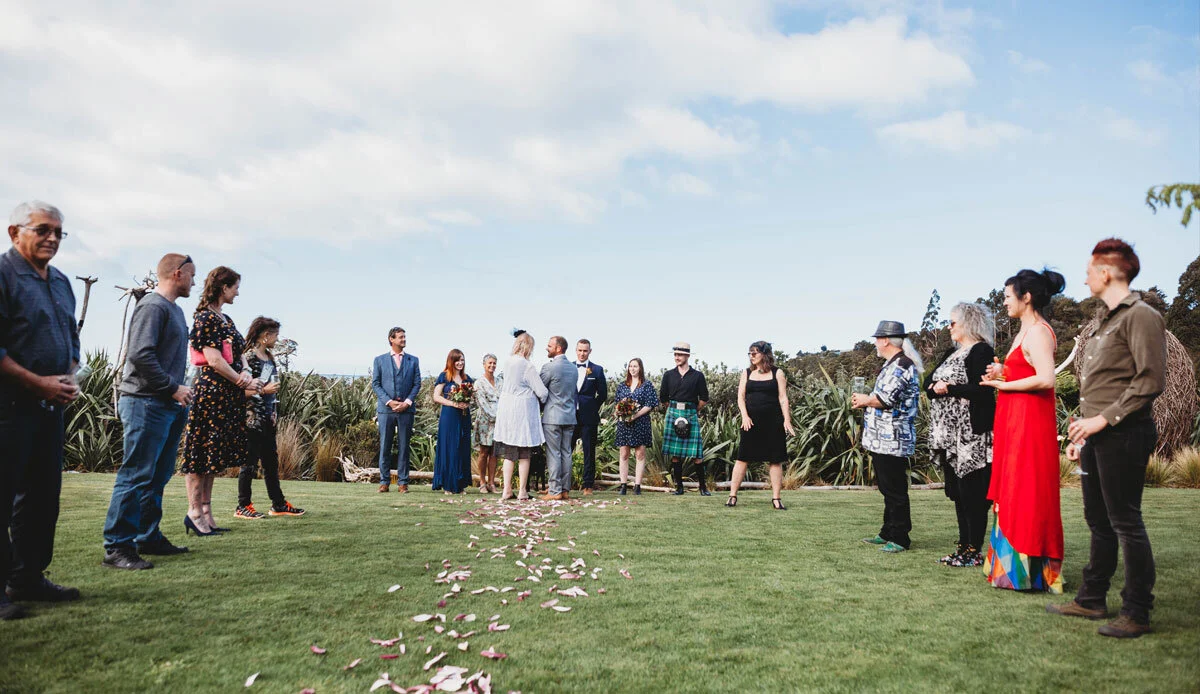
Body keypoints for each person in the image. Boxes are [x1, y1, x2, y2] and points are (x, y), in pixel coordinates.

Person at [1049, 239, 1166, 639]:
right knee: (1098, 521)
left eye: (1089, 271)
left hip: (1125, 433)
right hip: (1097, 435)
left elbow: (1149, 380)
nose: (1085, 278)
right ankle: (1091, 598)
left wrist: (1102, 420)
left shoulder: (1142, 316)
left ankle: (1137, 611)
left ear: (1107, 272)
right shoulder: (1103, 321)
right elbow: (1103, 384)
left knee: (1125, 521)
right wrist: (1083, 431)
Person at [0, 201, 80, 619]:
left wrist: (68, 376)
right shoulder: (3, 274)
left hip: (50, 409)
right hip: (9, 406)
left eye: (58, 232)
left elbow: (71, 338)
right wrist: (38, 382)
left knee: (42, 499)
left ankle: (27, 577)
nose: (52, 238)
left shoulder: (61, 281)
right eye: (43, 229)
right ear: (15, 232)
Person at [102, 253, 195, 571]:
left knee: (157, 476)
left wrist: (177, 392)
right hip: (145, 402)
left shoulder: (175, 310)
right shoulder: (152, 306)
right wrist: (172, 387)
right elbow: (141, 355)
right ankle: (117, 546)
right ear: (178, 273)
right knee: (136, 475)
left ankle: (147, 536)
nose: (194, 282)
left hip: (168, 404)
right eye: (192, 276)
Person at [980, 269, 1066, 592]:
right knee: (1013, 488)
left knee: (1028, 489)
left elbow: (1046, 378)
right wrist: (1002, 371)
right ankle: (1008, 570)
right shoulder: (1023, 332)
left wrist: (1004, 385)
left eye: (1007, 296)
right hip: (1014, 421)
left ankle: (1031, 574)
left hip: (1030, 425)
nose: (1004, 303)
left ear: (1026, 297)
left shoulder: (1039, 332)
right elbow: (1024, 370)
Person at [181, 266, 258, 536]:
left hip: (227, 396)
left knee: (213, 456)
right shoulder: (205, 318)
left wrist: (245, 371)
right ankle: (194, 512)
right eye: (235, 287)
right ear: (224, 288)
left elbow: (240, 352)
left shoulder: (226, 319)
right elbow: (214, 360)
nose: (237, 292)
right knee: (200, 453)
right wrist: (241, 381)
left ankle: (206, 513)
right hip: (210, 394)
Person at [923, 303, 996, 567]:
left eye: (953, 322)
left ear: (968, 323)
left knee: (973, 494)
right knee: (957, 493)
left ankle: (973, 550)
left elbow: (983, 389)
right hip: (948, 436)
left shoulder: (981, 351)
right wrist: (937, 387)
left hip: (970, 435)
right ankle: (963, 546)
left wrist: (949, 388)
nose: (949, 327)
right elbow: (927, 384)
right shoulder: (951, 353)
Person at [851, 321, 923, 553]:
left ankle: (900, 536)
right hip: (883, 438)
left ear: (885, 340)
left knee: (894, 489)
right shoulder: (892, 364)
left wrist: (865, 400)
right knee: (886, 487)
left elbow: (886, 399)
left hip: (894, 438)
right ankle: (887, 531)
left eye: (877, 339)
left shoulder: (902, 365)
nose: (875, 344)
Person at [234, 317, 304, 519]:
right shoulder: (249, 358)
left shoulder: (269, 358)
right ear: (265, 335)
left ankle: (278, 504)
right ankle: (243, 505)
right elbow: (239, 391)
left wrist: (273, 411)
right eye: (275, 335)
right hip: (251, 418)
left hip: (267, 418)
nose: (277, 339)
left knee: (271, 463)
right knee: (249, 463)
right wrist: (264, 390)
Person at [727, 341, 795, 510]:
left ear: (765, 354)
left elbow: (783, 398)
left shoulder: (777, 373)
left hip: (773, 422)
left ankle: (776, 499)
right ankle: (732, 496)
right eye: (750, 353)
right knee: (742, 458)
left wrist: (787, 420)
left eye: (755, 353)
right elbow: (740, 397)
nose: (751, 356)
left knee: (775, 460)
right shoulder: (746, 373)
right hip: (750, 422)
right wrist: (744, 416)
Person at [494, 330, 548, 500]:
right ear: (528, 347)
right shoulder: (527, 366)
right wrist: (543, 399)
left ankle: (506, 490)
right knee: (524, 453)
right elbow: (542, 391)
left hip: (507, 409)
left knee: (509, 454)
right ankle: (522, 491)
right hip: (522, 411)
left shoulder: (508, 362)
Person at [371, 327, 421, 493]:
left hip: (406, 410)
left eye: (404, 337)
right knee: (385, 446)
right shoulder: (379, 360)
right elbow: (376, 384)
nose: (403, 339)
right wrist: (389, 402)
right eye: (400, 337)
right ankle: (384, 482)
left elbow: (417, 384)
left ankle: (403, 483)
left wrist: (407, 402)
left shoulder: (413, 360)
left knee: (404, 447)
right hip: (386, 410)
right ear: (391, 339)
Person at [659, 342, 709, 495]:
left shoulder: (698, 376)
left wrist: (692, 411)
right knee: (675, 455)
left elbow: (704, 398)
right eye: (675, 354)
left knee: (697, 455)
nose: (677, 357)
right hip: (673, 412)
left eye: (680, 355)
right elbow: (663, 398)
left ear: (687, 356)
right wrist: (674, 410)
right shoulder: (668, 375)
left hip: (691, 413)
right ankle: (679, 487)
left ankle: (703, 487)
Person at [540, 336, 578, 501]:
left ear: (558, 348)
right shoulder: (574, 369)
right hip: (569, 416)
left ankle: (555, 490)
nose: (547, 348)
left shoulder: (549, 367)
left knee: (554, 453)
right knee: (566, 452)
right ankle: (564, 489)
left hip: (553, 417)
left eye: (549, 346)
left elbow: (540, 390)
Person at [613, 358, 658, 495]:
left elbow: (650, 404)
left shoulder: (646, 385)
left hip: (641, 423)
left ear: (640, 368)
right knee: (624, 453)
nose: (632, 369)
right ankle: (623, 485)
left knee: (640, 454)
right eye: (630, 366)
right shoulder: (622, 385)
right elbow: (617, 403)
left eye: (635, 366)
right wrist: (618, 412)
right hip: (624, 424)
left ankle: (637, 486)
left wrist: (635, 415)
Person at [432, 349, 474, 495]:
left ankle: (460, 484)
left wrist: (466, 403)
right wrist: (453, 403)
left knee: (462, 447)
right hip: (449, 416)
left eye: (462, 360)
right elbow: (436, 396)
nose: (460, 363)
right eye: (457, 360)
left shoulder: (467, 379)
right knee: (449, 448)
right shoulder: (444, 376)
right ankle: (448, 484)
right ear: (451, 361)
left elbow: (471, 397)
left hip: (464, 416)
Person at [572, 339, 607, 495]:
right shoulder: (569, 368)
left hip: (589, 417)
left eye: (585, 351)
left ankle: (588, 485)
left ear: (590, 351)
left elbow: (603, 394)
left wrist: (592, 406)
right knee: (566, 450)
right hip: (570, 415)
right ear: (576, 350)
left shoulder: (597, 370)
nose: (582, 353)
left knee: (589, 451)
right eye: (580, 350)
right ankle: (562, 484)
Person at [473, 354, 503, 494]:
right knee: (484, 452)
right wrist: (494, 416)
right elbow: (481, 402)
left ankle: (491, 482)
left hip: (500, 420)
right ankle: (482, 482)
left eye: (494, 363)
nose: (492, 365)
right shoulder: (479, 383)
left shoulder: (500, 382)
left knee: (494, 452)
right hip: (485, 420)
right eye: (489, 363)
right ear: (484, 364)